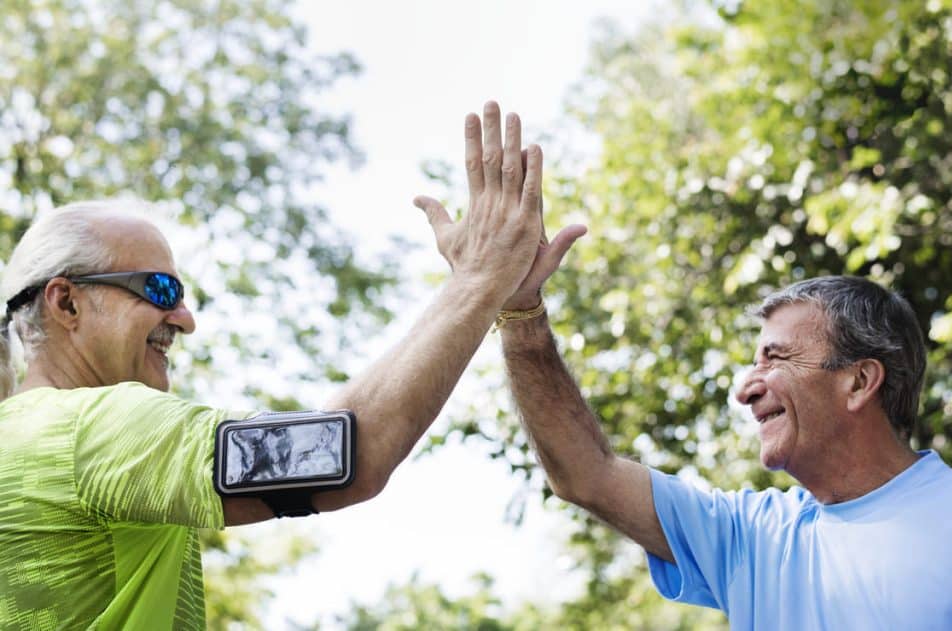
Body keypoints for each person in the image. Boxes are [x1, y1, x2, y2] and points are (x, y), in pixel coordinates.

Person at [0, 102, 568, 630]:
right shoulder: (91, 429)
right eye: (158, 288)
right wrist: (480, 279)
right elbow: (346, 452)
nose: (185, 317)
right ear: (67, 302)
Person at [489, 266, 952, 629]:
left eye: (776, 359)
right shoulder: (752, 535)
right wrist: (520, 309)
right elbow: (586, 475)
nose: (746, 387)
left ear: (860, 382)